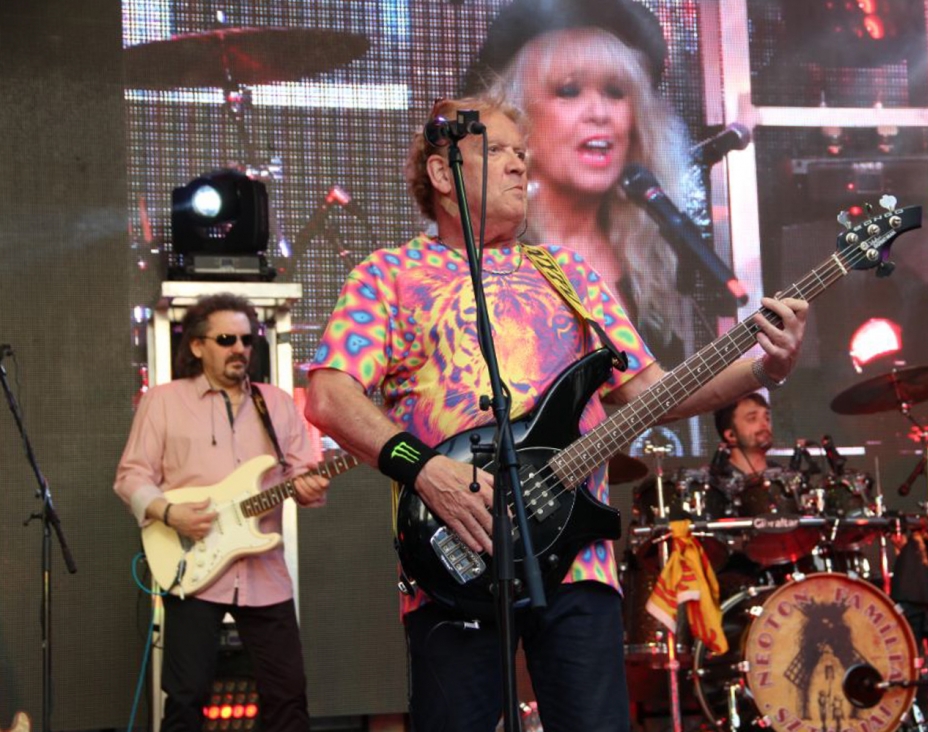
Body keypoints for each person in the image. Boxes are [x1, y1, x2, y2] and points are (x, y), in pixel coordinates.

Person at [305, 93, 807, 732]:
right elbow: (330, 395)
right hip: (455, 549)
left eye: (522, 154)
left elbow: (655, 393)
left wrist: (766, 369)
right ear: (441, 173)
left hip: (575, 557)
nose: (520, 166)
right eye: (498, 151)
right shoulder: (389, 275)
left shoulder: (568, 272)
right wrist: (426, 469)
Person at [467, 0, 712, 458]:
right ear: (515, 119)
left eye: (616, 93)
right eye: (569, 91)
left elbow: (658, 394)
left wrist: (764, 369)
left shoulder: (662, 260)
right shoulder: (484, 261)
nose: (599, 113)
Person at [114, 293, 329, 732]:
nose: (240, 349)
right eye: (227, 339)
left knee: (288, 696)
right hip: (191, 565)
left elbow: (302, 474)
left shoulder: (277, 402)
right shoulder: (164, 401)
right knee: (186, 697)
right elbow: (131, 477)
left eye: (247, 340)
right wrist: (170, 513)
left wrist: (309, 487)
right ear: (197, 346)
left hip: (264, 574)